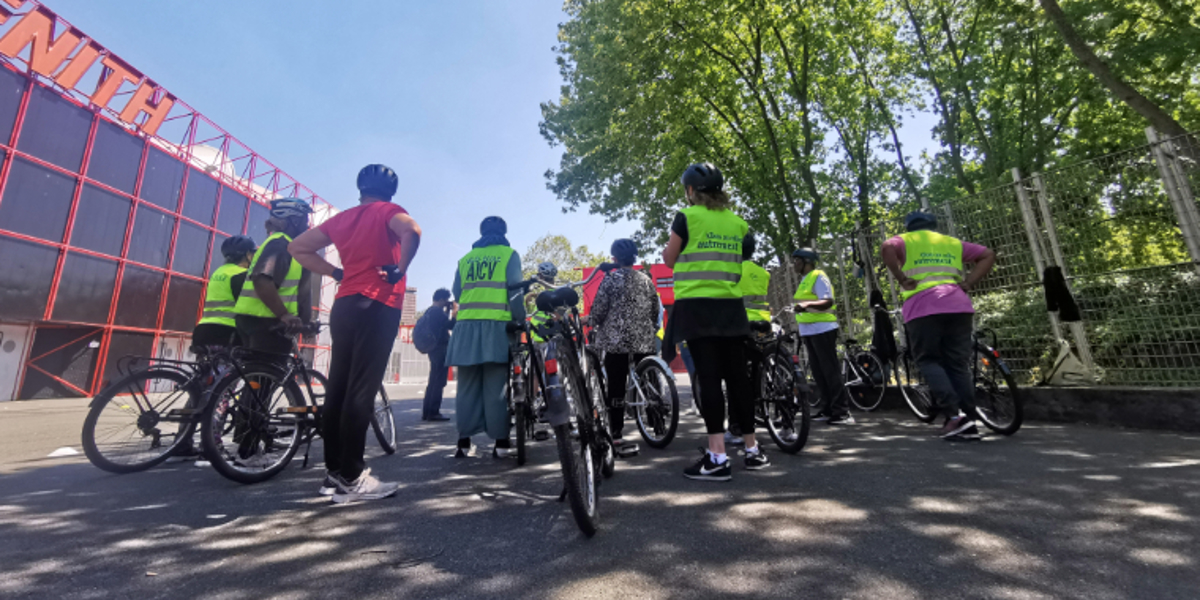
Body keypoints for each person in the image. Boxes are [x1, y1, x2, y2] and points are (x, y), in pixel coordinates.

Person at [289, 164, 422, 503]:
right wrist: (400, 269)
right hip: (377, 304)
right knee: (362, 389)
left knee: (339, 386)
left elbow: (298, 248)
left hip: (345, 304)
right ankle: (352, 476)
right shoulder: (389, 211)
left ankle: (334, 473)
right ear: (390, 192)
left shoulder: (342, 219)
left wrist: (335, 271)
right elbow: (413, 231)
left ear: (360, 188)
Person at [662, 162, 768, 481]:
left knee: (710, 380)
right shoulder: (738, 223)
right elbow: (744, 254)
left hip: (697, 307)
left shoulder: (687, 216)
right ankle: (752, 450)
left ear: (691, 190)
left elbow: (669, 259)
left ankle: (718, 457)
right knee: (738, 379)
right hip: (731, 308)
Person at [881, 211, 996, 441]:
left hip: (924, 307)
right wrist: (969, 283)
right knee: (957, 364)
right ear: (933, 226)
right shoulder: (952, 243)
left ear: (909, 226)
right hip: (958, 305)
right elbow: (988, 254)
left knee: (928, 360)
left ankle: (954, 416)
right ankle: (969, 420)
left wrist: (901, 278)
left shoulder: (905, 240)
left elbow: (886, 247)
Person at [445, 216, 525, 459]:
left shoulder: (466, 259)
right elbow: (515, 289)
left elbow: (457, 292)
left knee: (467, 386)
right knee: (495, 386)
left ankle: (463, 442)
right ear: (504, 232)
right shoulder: (509, 254)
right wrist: (520, 319)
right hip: (496, 328)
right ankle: (501, 443)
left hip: (466, 328)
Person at [590, 238, 658, 454]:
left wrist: (592, 321)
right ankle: (658, 423)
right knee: (648, 378)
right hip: (644, 339)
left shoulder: (610, 280)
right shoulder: (646, 280)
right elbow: (655, 310)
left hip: (616, 341)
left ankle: (617, 432)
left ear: (615, 259)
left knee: (616, 384)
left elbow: (599, 312)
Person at [233, 198, 315, 357]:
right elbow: (262, 280)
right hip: (266, 324)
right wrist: (284, 315)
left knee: (258, 377)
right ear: (295, 220)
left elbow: (297, 292)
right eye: (305, 220)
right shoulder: (281, 244)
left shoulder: (284, 244)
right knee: (265, 377)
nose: (307, 225)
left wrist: (304, 323)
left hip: (258, 321)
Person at [793, 247, 853, 425]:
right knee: (819, 372)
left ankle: (842, 411)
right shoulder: (804, 279)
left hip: (823, 329)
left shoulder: (818, 276)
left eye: (797, 260)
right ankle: (827, 408)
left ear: (807, 262)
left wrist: (807, 304)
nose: (794, 264)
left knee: (830, 371)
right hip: (809, 330)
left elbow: (827, 300)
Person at [726, 233, 771, 445]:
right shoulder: (762, 272)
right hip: (764, 324)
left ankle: (736, 426)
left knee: (736, 376)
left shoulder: (731, 271)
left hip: (740, 326)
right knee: (760, 370)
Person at [192, 235, 256, 349]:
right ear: (248, 255)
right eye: (253, 254)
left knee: (207, 367)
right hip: (227, 334)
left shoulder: (218, 272)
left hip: (203, 331)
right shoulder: (242, 275)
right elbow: (250, 307)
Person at [420, 289, 456, 421]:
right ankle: (434, 412)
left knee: (433, 379)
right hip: (440, 348)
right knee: (439, 381)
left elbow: (442, 324)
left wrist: (447, 311)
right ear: (442, 299)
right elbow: (451, 325)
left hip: (433, 348)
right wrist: (455, 313)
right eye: (446, 300)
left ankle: (427, 412)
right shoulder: (437, 312)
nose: (448, 302)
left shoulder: (430, 311)